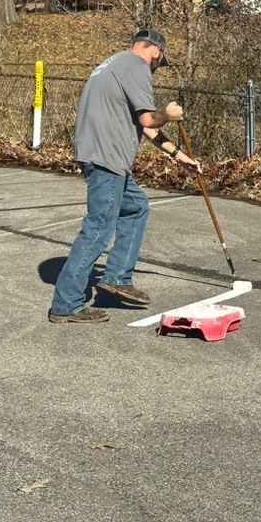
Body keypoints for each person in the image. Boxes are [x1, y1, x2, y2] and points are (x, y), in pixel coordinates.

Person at [49, 27, 201, 324]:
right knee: (98, 229)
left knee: (136, 207)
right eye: (161, 60)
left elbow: (145, 127)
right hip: (107, 157)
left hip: (100, 154)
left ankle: (118, 277)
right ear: (155, 51)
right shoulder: (136, 66)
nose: (158, 67)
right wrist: (170, 114)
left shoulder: (114, 64)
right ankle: (66, 304)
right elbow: (149, 117)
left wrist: (178, 155)